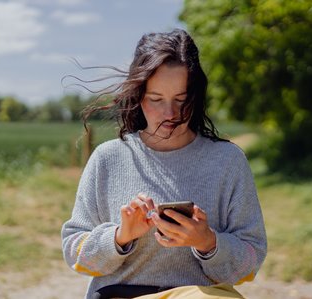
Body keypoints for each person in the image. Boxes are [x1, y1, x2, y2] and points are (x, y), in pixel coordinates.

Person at [61, 28, 267, 299]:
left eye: (181, 100)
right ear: (138, 96)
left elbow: (250, 263)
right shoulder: (107, 158)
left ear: (196, 97)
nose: (170, 114)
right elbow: (74, 252)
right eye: (156, 100)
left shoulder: (228, 161)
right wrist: (121, 237)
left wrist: (208, 242)